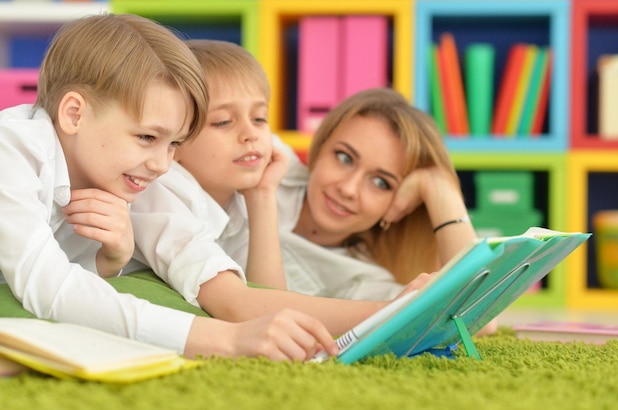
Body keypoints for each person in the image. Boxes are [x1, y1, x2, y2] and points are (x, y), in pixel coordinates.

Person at [0, 13, 341, 363]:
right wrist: (228, 339)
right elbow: (49, 288)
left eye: (174, 143)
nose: (163, 165)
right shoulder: (11, 149)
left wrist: (109, 260)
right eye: (147, 136)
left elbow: (56, 278)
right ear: (74, 114)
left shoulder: (107, 168)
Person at [160, 39, 496, 335]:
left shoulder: (362, 277)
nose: (349, 188)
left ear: (400, 205)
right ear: (320, 149)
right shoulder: (265, 158)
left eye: (381, 183)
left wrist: (440, 189)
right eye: (345, 157)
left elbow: (477, 314)